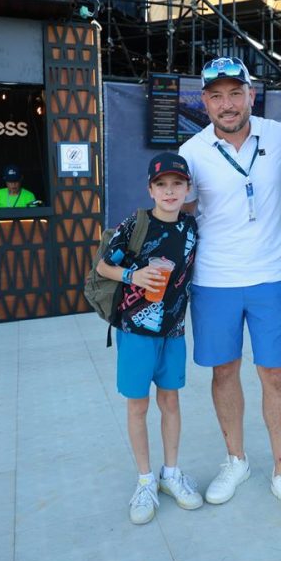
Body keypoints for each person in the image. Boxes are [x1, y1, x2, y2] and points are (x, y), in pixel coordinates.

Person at [178, 56, 281, 526]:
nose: (227, 104)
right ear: (204, 102)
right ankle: (235, 460)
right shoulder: (192, 151)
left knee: (276, 376)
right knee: (224, 372)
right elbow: (180, 212)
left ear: (251, 95)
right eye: (216, 96)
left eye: (235, 93)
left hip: (271, 276)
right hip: (213, 280)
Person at [96, 152, 202, 524]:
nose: (169, 191)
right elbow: (103, 265)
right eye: (161, 184)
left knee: (170, 401)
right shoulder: (135, 224)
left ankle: (170, 474)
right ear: (150, 189)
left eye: (177, 184)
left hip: (173, 331)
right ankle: (145, 481)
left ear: (187, 188)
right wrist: (133, 276)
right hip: (135, 332)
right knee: (138, 406)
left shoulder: (191, 227)